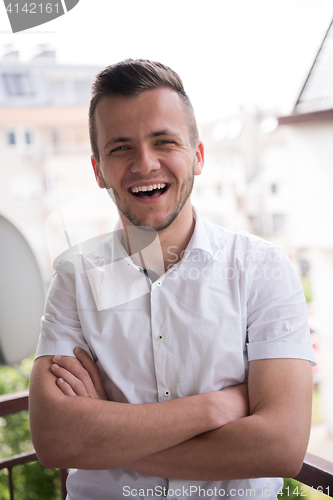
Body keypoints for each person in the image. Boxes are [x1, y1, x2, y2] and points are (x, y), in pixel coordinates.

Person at [29, 59, 316, 500]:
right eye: (120, 148)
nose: (145, 163)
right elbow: (54, 440)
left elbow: (280, 446)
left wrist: (105, 436)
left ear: (197, 156)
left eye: (164, 141)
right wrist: (217, 407)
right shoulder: (74, 276)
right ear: (98, 169)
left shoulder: (262, 267)